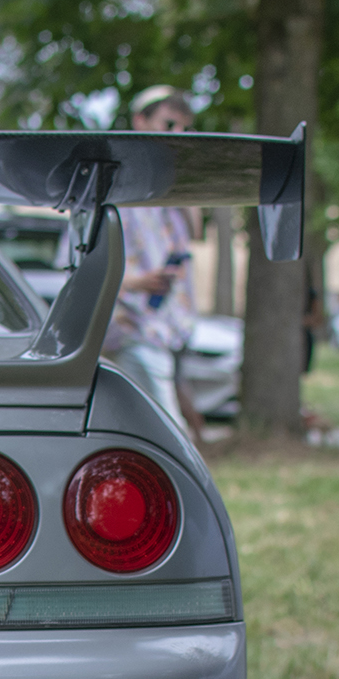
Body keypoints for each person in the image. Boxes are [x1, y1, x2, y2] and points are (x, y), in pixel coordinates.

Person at [105, 85, 203, 439]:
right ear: (140, 121)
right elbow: (82, 264)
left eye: (184, 129)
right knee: (172, 435)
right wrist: (137, 281)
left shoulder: (171, 188)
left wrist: (183, 178)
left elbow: (195, 231)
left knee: (146, 431)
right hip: (134, 327)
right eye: (169, 124)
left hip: (170, 327)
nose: (177, 135)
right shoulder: (115, 185)